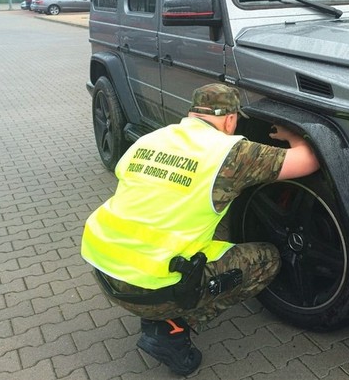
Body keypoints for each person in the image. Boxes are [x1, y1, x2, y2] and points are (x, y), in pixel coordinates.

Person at [81, 83, 319, 375]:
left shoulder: (150, 140)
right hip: (149, 287)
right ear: (231, 120)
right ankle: (172, 328)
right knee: (266, 260)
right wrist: (292, 134)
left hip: (104, 270)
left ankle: (158, 308)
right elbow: (309, 160)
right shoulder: (231, 153)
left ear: (192, 113)